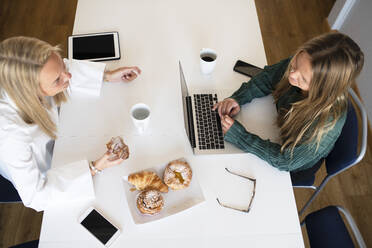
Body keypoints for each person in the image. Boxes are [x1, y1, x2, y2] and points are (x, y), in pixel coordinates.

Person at [0, 36, 141, 211]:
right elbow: (36, 196)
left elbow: (56, 70)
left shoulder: (29, 74)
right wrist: (94, 168)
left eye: (63, 68)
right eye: (57, 80)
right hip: (43, 168)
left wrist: (106, 76)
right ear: (30, 92)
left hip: (61, 142)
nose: (69, 76)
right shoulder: (11, 137)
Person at [213, 32, 364, 172]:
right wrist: (238, 98)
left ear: (323, 89)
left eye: (303, 79)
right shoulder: (305, 64)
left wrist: (240, 137)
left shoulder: (324, 125)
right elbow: (268, 77)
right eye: (294, 64)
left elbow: (286, 161)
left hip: (293, 162)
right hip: (277, 128)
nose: (292, 75)